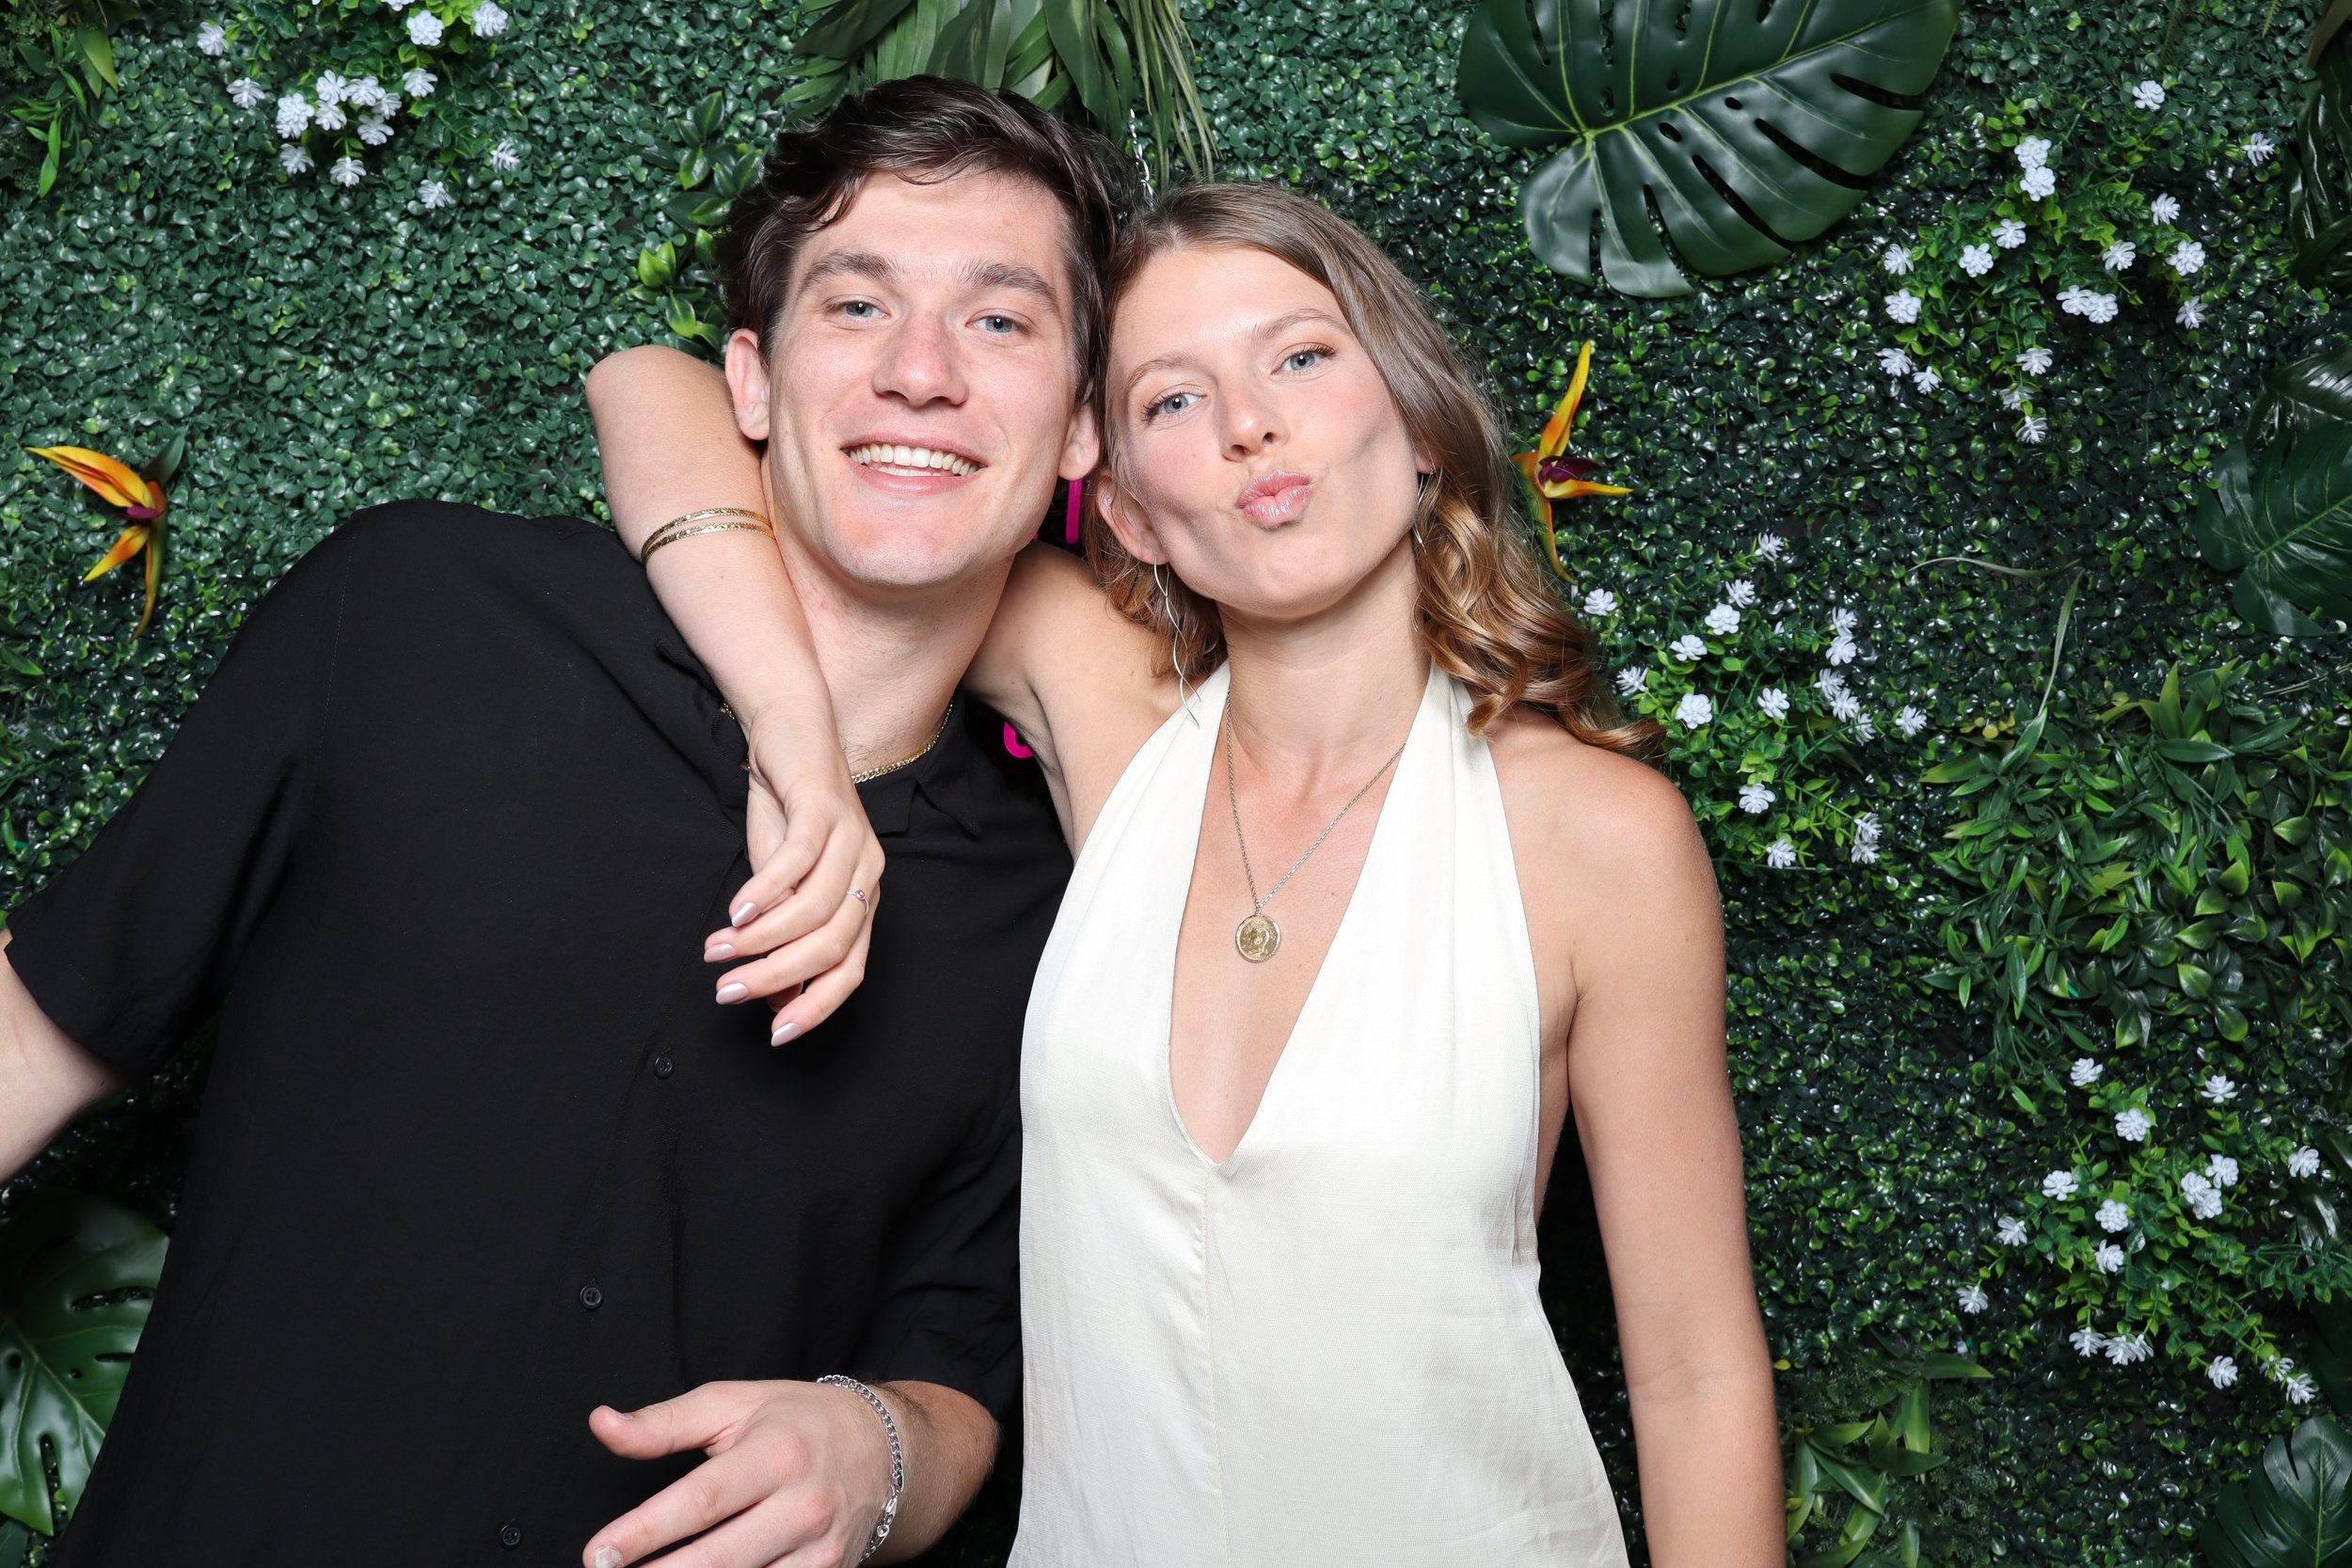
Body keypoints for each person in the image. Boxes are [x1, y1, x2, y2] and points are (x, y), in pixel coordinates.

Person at [0, 79, 1121, 1567]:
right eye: (855, 307)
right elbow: (45, 1021)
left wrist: (880, 1449)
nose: (921, 372)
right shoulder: (411, 616)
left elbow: (965, 1352)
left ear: (1081, 432)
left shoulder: (1060, 908)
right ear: (750, 383)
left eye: (1000, 321)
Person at [589, 182, 1785, 1562]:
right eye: (1171, 399)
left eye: (1301, 356)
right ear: (1132, 508)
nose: (1246, 425)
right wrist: (795, 742)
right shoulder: (1112, 714)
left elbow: (1698, 1380)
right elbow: (657, 393)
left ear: (1418, 423)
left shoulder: (1595, 837)